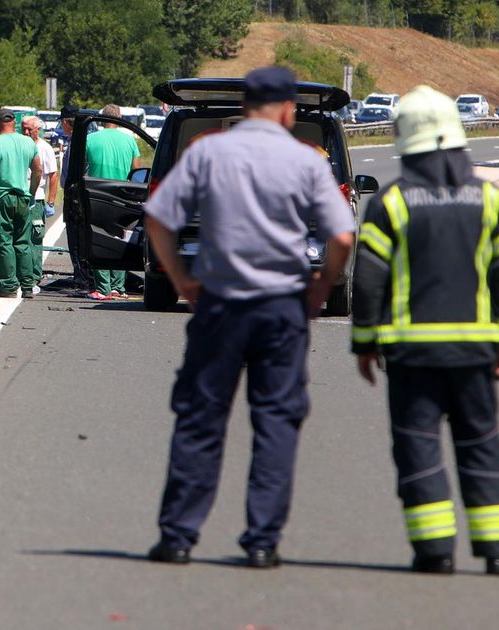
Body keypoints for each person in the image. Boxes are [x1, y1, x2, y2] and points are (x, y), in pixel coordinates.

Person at [142, 66, 355, 568]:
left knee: (201, 416)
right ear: (286, 110)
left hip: (220, 302)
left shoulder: (208, 153)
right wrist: (321, 286)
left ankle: (177, 537)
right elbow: (342, 236)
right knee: (276, 420)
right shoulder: (305, 160)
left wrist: (183, 280)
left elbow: (156, 217)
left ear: (245, 107)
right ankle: (262, 541)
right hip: (282, 306)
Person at [351, 86, 499, 576]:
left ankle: (435, 553)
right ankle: (498, 551)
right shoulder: (488, 199)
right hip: (475, 351)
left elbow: (368, 278)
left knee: (418, 444)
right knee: (481, 442)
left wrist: (365, 343)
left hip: (413, 355)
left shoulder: (392, 202)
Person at [0, 109, 42, 298]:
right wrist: (32, 193)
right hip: (22, 196)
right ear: (14, 122)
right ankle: (28, 286)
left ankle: (8, 286)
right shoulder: (28, 142)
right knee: (22, 241)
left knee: (3, 241)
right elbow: (38, 170)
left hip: (0, 198)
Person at [84, 104, 145, 300]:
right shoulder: (130, 141)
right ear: (119, 118)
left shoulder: (91, 139)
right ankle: (119, 287)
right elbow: (136, 169)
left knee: (98, 239)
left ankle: (103, 288)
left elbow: (82, 165)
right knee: (121, 238)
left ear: (102, 119)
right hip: (123, 195)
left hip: (97, 191)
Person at [58, 105, 94, 295]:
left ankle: (82, 279)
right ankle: (83, 277)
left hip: (74, 197)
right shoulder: (81, 141)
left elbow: (73, 173)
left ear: (66, 122)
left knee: (76, 239)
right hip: (80, 195)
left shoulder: (76, 144)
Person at [20, 115, 59, 284]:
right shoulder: (18, 145)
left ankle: (35, 274)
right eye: (24, 128)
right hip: (19, 196)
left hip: (37, 198)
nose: (27, 132)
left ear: (38, 130)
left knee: (35, 237)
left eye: (30, 129)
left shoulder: (45, 148)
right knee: (20, 236)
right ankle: (22, 272)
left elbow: (53, 175)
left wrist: (50, 202)